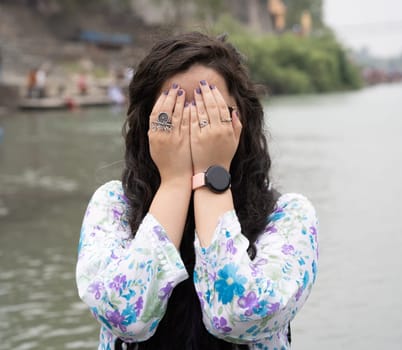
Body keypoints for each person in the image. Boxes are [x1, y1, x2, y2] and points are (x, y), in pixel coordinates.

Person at [76, 32, 319, 350]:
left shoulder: (288, 215)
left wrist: (211, 177)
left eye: (210, 112)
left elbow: (239, 316)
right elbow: (125, 317)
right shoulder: (112, 206)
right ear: (147, 124)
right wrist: (174, 182)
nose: (193, 126)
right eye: (172, 113)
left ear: (241, 119)